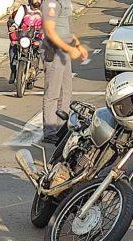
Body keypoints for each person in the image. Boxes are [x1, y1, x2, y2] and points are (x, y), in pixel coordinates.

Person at [41, 0, 88, 144]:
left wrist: (78, 45)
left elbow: (66, 28)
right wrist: (69, 49)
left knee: (66, 92)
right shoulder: (51, 2)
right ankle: (50, 131)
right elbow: (49, 31)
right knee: (53, 93)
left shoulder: (65, 2)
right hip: (54, 51)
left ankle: (63, 128)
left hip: (64, 51)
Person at [7, 0, 44, 84]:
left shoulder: (44, 10)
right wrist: (14, 26)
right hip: (23, 36)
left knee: (44, 50)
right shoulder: (23, 9)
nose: (37, 1)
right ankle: (13, 71)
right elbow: (16, 21)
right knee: (13, 47)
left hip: (37, 36)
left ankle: (38, 68)